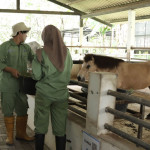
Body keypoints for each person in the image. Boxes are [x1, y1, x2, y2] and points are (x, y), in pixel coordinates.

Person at [32, 25, 73, 150]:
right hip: (61, 95)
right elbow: (69, 71)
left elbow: (36, 75)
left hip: (44, 95)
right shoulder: (67, 52)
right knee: (60, 128)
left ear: (45, 36)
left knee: (40, 126)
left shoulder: (40, 53)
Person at [0, 22, 35, 146]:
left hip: (22, 85)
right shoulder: (5, 46)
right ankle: (9, 137)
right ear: (19, 33)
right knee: (8, 110)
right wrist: (11, 70)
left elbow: (34, 59)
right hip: (8, 85)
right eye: (25, 33)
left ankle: (21, 134)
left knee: (23, 108)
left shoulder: (26, 48)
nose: (26, 36)